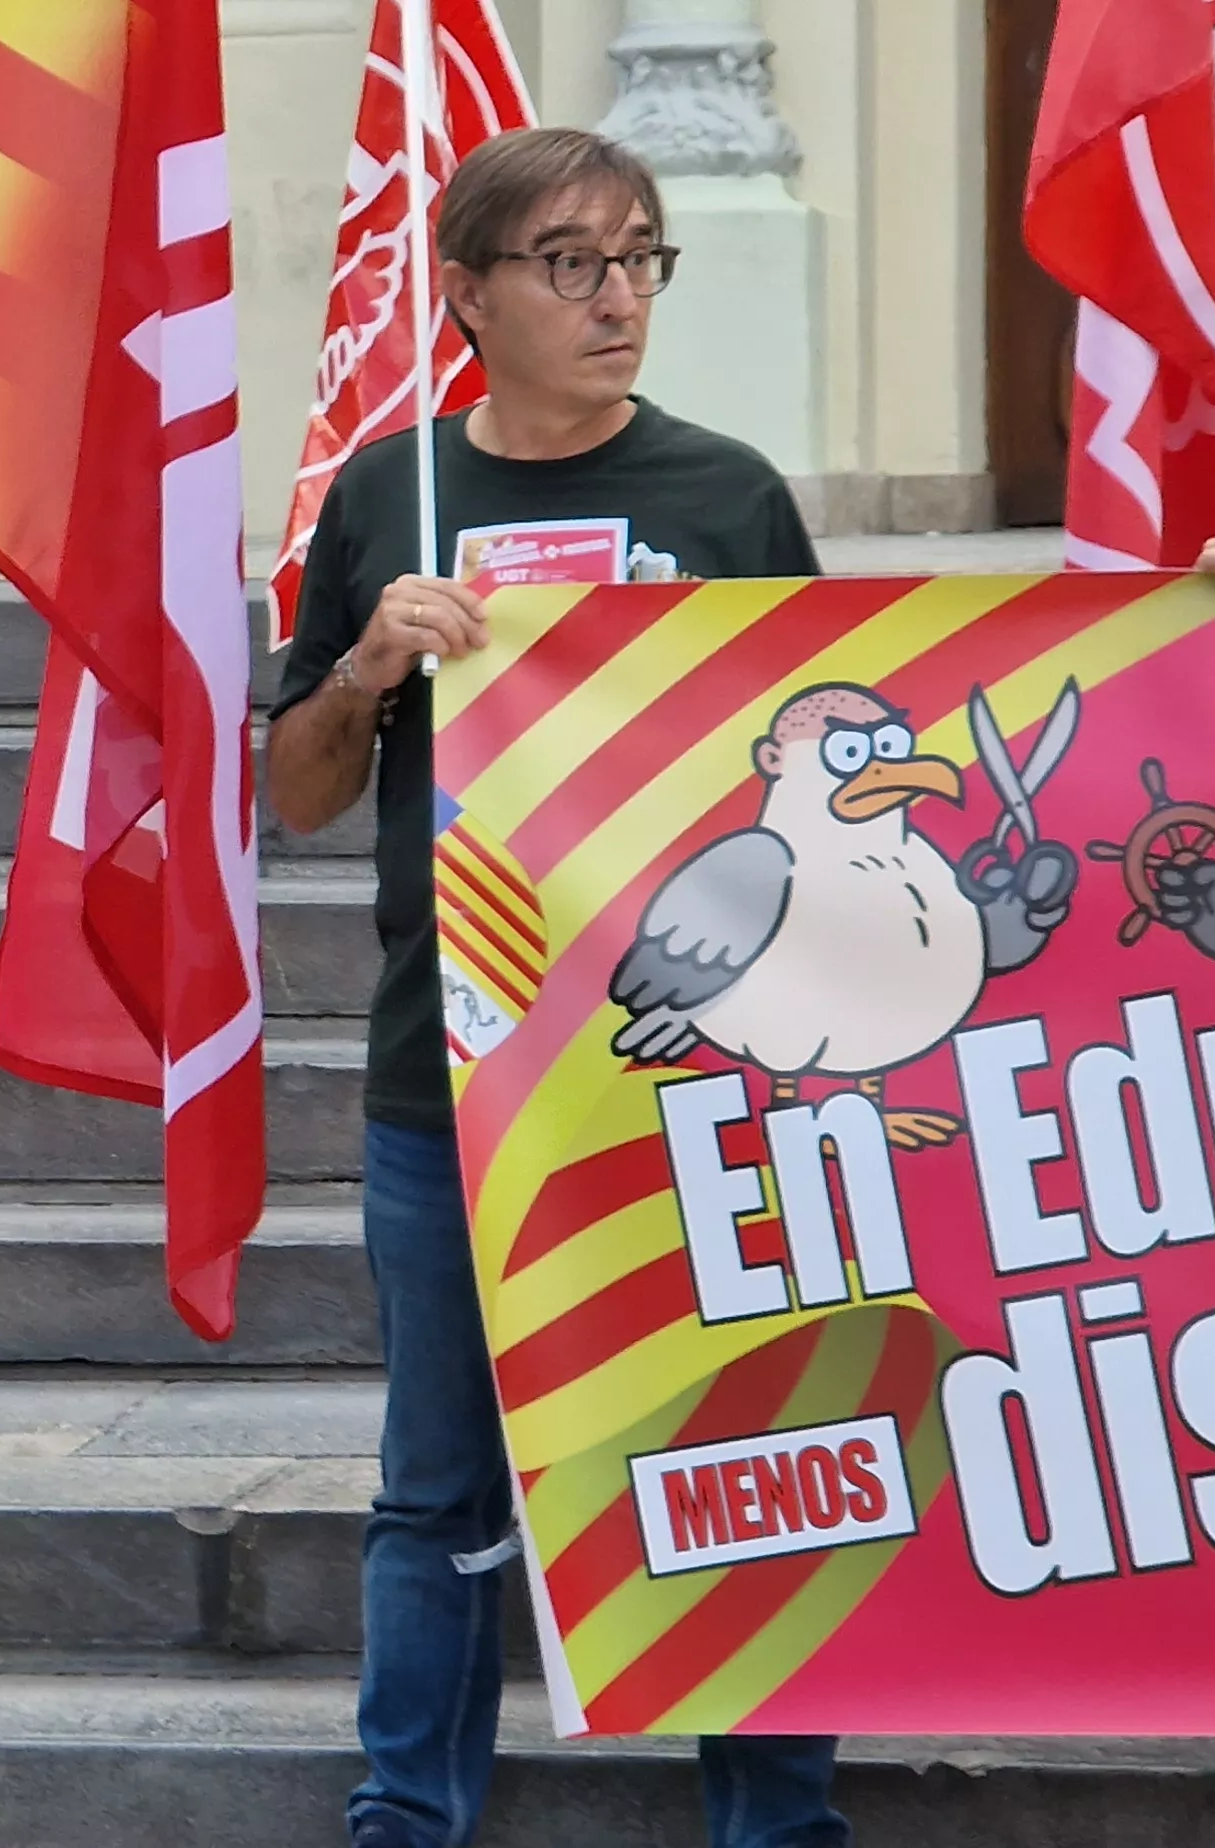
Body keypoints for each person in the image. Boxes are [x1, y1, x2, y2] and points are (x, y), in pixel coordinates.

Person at [266, 129, 851, 1848]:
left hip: (698, 1067)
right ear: (465, 292)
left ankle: (776, 1814)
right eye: (571, 261)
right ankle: (408, 1813)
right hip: (447, 1066)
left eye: (642, 257)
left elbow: (839, 734)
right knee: (440, 1483)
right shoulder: (389, 496)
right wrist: (371, 664)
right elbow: (296, 791)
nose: (617, 296)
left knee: (750, 1442)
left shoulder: (725, 496)